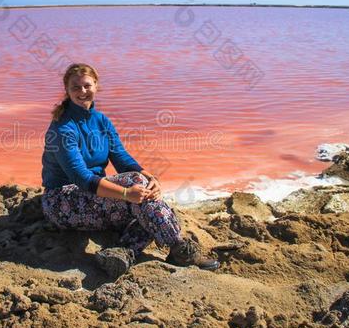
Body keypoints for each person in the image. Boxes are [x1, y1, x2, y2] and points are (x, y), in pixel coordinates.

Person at [41, 63, 219, 277]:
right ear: (67, 90)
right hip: (62, 201)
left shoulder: (101, 121)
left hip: (94, 197)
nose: (82, 92)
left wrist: (150, 177)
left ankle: (122, 252)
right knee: (143, 199)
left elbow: (121, 157)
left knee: (147, 205)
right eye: (75, 87)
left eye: (87, 85)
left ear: (96, 86)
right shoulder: (62, 128)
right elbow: (82, 177)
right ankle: (179, 248)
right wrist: (126, 193)